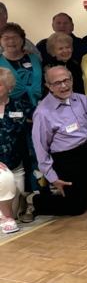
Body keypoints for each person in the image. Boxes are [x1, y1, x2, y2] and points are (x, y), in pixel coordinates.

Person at [19, 66, 87, 222]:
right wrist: (52, 178)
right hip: (69, 158)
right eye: (57, 83)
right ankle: (32, 200)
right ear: (49, 86)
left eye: (66, 80)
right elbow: (41, 149)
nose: (64, 86)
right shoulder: (43, 113)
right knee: (75, 207)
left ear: (72, 80)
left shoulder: (79, 99)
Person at [0, 68, 34, 233]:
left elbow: (41, 117)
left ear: (9, 87)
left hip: (15, 165)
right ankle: (6, 218)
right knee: (4, 180)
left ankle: (6, 215)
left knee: (13, 210)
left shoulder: (20, 105)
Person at [0, 23, 42, 106]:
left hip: (40, 106)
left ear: (23, 40)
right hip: (9, 108)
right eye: (6, 38)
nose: (11, 41)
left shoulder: (34, 58)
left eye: (15, 37)